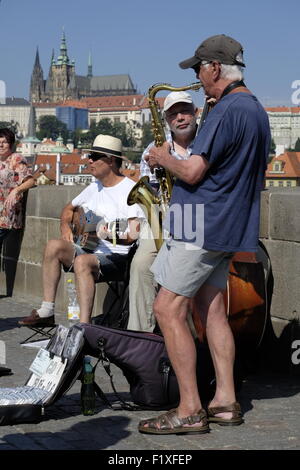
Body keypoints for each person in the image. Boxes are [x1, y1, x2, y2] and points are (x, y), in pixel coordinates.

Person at [138, 34, 271, 434]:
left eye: (198, 68)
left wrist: (162, 158)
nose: (197, 76)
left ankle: (190, 408)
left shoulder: (227, 109)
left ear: (214, 67)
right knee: (209, 310)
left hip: (201, 221)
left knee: (167, 309)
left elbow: (194, 171)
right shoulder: (254, 108)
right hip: (231, 224)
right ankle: (226, 400)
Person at [18, 134, 144, 326]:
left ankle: (83, 327)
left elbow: (132, 235)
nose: (89, 160)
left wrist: (106, 233)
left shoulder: (130, 190)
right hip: (90, 247)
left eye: (94, 156)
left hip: (116, 257)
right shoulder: (95, 186)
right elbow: (68, 209)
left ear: (110, 161)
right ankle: (47, 310)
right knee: (54, 246)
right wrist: (65, 227)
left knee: (83, 261)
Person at [127, 91, 198, 332]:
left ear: (195, 113)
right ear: (166, 120)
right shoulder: (155, 146)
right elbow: (146, 186)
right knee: (140, 266)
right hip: (162, 216)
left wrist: (168, 163)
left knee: (183, 275)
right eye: (173, 114)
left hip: (193, 218)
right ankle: (139, 337)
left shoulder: (206, 142)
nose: (180, 118)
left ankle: (189, 337)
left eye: (185, 111)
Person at [0, 128, 35, 244]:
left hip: (6, 215)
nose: (0, 145)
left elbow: (30, 181)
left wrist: (16, 190)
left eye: (4, 142)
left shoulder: (16, 159)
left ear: (10, 144)